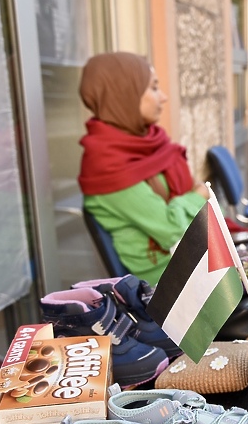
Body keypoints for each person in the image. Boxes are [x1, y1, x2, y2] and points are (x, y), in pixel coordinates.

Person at [78, 51, 210, 285]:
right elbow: (172, 229)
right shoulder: (107, 166)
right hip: (173, 289)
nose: (164, 97)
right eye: (154, 88)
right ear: (124, 94)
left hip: (195, 261)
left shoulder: (147, 144)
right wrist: (198, 195)